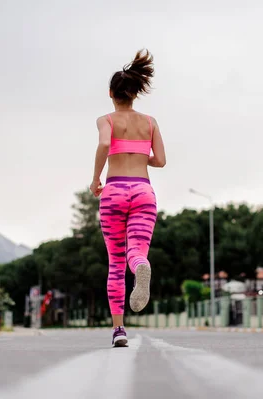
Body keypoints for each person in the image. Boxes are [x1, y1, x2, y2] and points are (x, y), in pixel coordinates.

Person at [89, 49, 166, 347]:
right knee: (136, 253)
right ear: (135, 93)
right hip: (144, 192)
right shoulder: (150, 122)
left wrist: (96, 178)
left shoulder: (106, 119)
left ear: (111, 93)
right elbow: (160, 160)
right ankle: (141, 266)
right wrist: (138, 156)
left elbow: (105, 145)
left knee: (115, 263)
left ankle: (119, 330)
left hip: (114, 191)